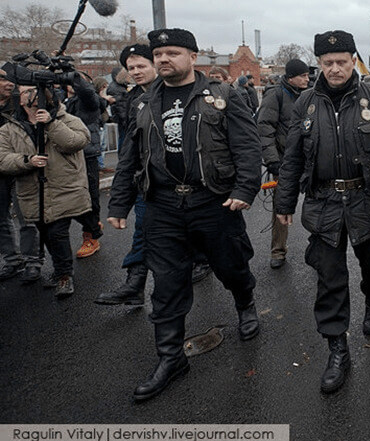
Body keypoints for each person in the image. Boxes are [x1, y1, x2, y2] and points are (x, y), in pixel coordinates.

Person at [107, 28, 262, 402]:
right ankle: (171, 357)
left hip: (213, 202)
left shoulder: (222, 96)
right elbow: (130, 156)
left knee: (230, 265)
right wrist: (118, 203)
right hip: (163, 207)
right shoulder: (142, 104)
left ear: (193, 57)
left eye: (172, 53)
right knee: (168, 282)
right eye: (158, 54)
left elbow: (246, 145)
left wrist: (244, 190)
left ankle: (245, 303)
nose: (163, 60)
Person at [275, 30, 370, 395]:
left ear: (354, 60)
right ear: (318, 64)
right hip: (324, 204)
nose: (335, 69)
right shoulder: (305, 103)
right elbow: (291, 159)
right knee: (329, 278)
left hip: (367, 201)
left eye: (342, 62)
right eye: (328, 63)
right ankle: (337, 349)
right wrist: (284, 204)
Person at [0, 82, 90, 298]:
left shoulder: (65, 119)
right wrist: (27, 160)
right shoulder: (9, 128)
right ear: (18, 98)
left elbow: (77, 141)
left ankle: (64, 275)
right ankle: (61, 268)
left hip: (63, 188)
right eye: (25, 91)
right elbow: (2, 158)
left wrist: (51, 124)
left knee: (57, 232)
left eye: (34, 90)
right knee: (47, 232)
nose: (31, 95)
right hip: (32, 190)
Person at [95, 44, 158, 306]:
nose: (136, 72)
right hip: (146, 181)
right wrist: (119, 204)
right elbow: (129, 153)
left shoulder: (175, 94)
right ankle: (134, 286)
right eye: (131, 68)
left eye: (141, 66)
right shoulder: (134, 100)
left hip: (181, 183)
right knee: (142, 231)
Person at [257, 58, 309, 269]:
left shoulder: (308, 95)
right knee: (281, 206)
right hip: (284, 162)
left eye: (307, 75)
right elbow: (264, 129)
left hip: (309, 160)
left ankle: (322, 247)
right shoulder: (275, 95)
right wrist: (272, 160)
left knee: (319, 205)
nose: (307, 79)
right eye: (302, 76)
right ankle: (278, 251)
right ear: (290, 78)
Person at [0, 69, 42, 283]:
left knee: (26, 217)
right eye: (2, 79)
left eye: (9, 79)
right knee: (1, 218)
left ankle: (31, 261)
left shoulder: (21, 104)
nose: (8, 83)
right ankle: (11, 260)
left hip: (21, 167)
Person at [65, 73, 109, 258]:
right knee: (67, 197)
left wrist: (72, 74)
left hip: (87, 154)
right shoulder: (67, 100)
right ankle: (92, 223)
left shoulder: (89, 100)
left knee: (90, 196)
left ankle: (91, 236)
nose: (69, 81)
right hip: (66, 155)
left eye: (74, 79)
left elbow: (85, 90)